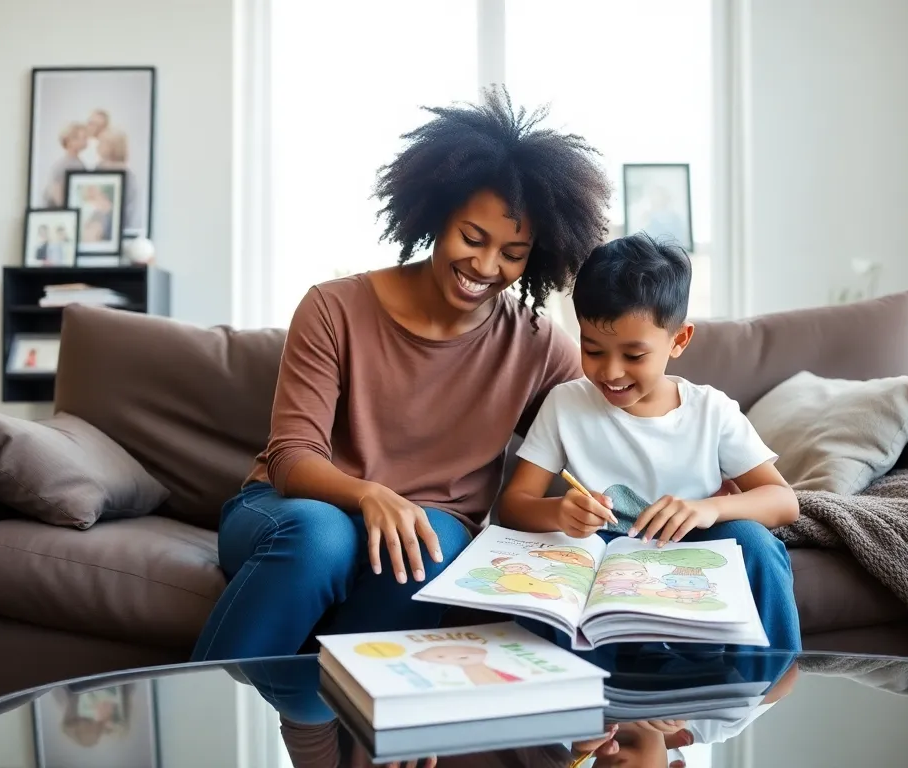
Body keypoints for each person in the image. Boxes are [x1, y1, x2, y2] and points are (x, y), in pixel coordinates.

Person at [190, 85, 613, 666]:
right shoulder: (333, 307)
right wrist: (371, 496)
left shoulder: (537, 345)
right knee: (324, 539)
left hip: (427, 534)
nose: (487, 267)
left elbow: (600, 441)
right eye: (472, 237)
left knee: (429, 542)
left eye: (513, 253)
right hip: (291, 514)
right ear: (437, 215)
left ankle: (347, 726)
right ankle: (210, 718)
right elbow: (291, 455)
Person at [497, 232, 802, 655]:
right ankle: (581, 692)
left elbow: (783, 501)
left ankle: (774, 675)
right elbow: (513, 504)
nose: (611, 372)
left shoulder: (711, 411)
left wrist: (708, 508)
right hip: (600, 560)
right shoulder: (566, 403)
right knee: (555, 560)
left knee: (753, 540)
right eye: (593, 349)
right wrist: (558, 511)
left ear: (678, 340)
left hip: (694, 554)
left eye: (634, 355)